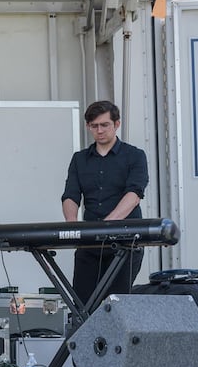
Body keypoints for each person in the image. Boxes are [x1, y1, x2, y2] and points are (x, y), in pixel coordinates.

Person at [61, 100, 149, 305]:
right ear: (88, 127)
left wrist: (106, 225)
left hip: (125, 244)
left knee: (116, 305)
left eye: (104, 125)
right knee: (82, 305)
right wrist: (72, 225)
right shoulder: (79, 159)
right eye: (94, 126)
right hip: (89, 246)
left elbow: (134, 194)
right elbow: (70, 195)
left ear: (116, 124)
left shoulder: (135, 156)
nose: (99, 131)